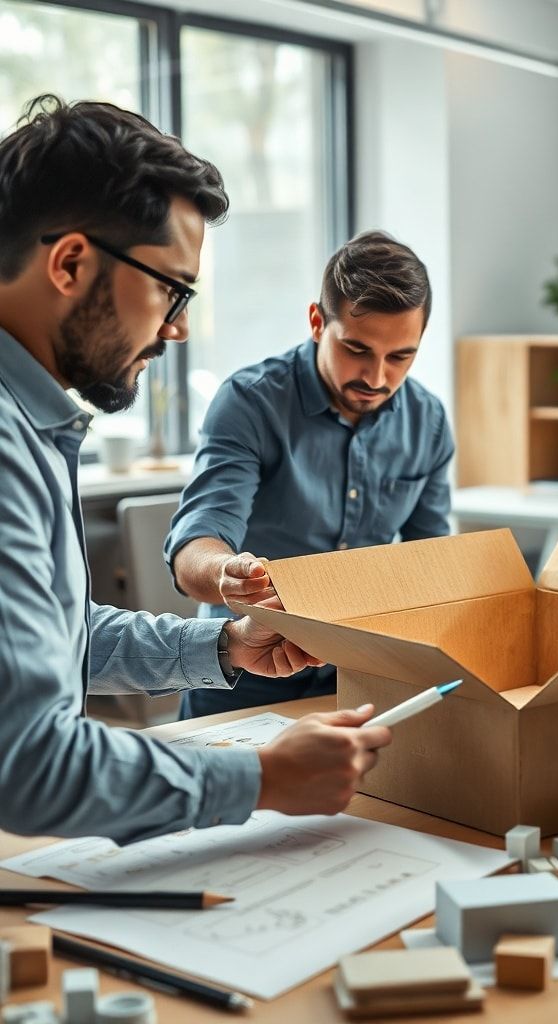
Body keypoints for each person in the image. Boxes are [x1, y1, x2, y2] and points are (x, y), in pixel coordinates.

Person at [0, 95, 390, 845]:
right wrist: (263, 780)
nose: (178, 327)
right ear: (70, 262)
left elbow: (55, 638)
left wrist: (223, 646)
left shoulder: (32, 424)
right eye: (171, 289)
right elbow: (29, 765)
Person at [165, 230, 454, 718]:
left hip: (361, 673)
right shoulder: (249, 402)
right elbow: (196, 543)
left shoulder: (427, 421)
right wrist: (226, 576)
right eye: (357, 349)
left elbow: (430, 562)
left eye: (400, 356)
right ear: (318, 322)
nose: (377, 378)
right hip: (245, 665)